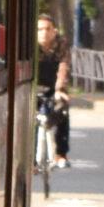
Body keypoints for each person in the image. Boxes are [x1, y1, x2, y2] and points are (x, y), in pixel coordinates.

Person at [35, 14, 71, 169]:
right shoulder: (30, 44)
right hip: (34, 84)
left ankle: (61, 154)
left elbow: (64, 67)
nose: (44, 33)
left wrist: (60, 89)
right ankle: (31, 159)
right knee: (30, 117)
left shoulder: (61, 44)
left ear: (54, 31)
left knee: (62, 110)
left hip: (53, 84)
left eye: (47, 29)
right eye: (40, 29)